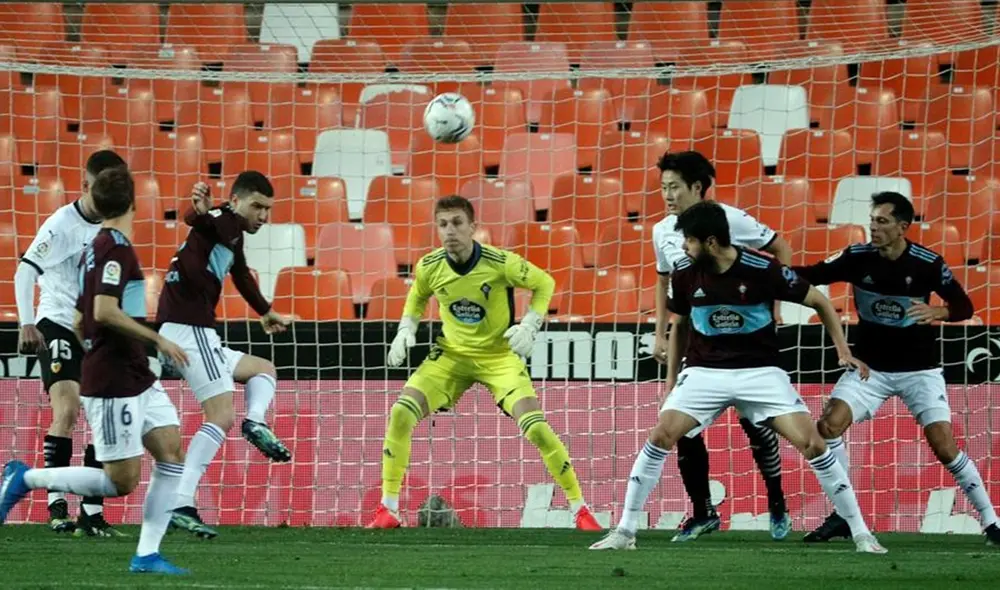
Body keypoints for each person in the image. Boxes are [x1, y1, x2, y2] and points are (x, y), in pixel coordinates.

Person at [589, 201, 886, 554]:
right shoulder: (684, 273)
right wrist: (671, 383)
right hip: (704, 372)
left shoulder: (764, 269)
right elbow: (680, 325)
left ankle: (862, 534)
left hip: (760, 373)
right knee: (660, 436)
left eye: (689, 240)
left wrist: (842, 350)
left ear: (711, 242)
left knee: (814, 445)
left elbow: (819, 301)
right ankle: (625, 531)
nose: (683, 247)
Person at [367, 195, 602, 531]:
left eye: (458, 223)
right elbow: (417, 296)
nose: (450, 231)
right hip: (451, 355)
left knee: (536, 426)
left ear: (473, 227)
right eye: (443, 224)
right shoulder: (429, 266)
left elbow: (544, 283)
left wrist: (530, 324)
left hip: (499, 357)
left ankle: (581, 510)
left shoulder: (500, 262)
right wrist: (406, 329)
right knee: (401, 412)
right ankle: (387, 509)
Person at [1, 166, 191, 574]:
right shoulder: (106, 247)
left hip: (128, 364)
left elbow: (84, 313)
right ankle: (33, 482)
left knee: (171, 452)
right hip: (109, 361)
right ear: (134, 203)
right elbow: (100, 308)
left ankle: (143, 551)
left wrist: (91, 339)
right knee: (117, 474)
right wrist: (157, 340)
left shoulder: (105, 245)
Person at [793, 192, 1000, 546]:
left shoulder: (927, 263)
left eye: (882, 221)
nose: (873, 227)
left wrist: (939, 312)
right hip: (869, 369)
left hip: (919, 370)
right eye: (872, 220)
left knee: (944, 447)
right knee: (827, 425)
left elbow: (964, 305)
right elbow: (812, 274)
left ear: (903, 227)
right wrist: (765, 272)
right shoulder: (856, 257)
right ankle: (844, 516)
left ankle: (991, 520)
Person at [651, 151, 794, 541]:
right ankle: (703, 511)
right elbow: (664, 281)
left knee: (757, 425)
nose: (667, 195)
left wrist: (775, 306)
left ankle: (777, 502)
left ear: (696, 187)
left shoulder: (731, 219)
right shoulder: (662, 230)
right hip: (698, 341)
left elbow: (782, 248)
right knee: (683, 428)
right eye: (663, 187)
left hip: (746, 342)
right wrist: (661, 333)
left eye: (674, 187)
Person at [157, 172, 291, 539]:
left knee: (262, 369)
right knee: (220, 414)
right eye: (257, 206)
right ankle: (179, 501)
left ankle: (257, 421)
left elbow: (242, 274)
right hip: (188, 328)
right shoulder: (223, 220)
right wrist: (198, 209)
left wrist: (265, 311)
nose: (263, 215)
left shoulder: (230, 234)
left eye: (268, 209)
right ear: (236, 202)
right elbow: (198, 219)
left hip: (194, 331)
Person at [14, 149, 128, 536]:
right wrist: (28, 323)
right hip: (57, 323)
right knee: (67, 409)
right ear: (86, 184)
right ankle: (56, 503)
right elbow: (24, 270)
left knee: (100, 417)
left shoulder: (113, 224)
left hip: (91, 330)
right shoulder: (62, 224)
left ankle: (91, 513)